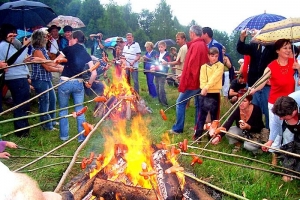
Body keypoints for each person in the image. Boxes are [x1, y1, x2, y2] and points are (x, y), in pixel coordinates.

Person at [250, 39, 300, 156]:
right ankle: (274, 154)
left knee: (289, 132)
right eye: (285, 48)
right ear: (277, 50)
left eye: (289, 47)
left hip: (291, 104)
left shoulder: (294, 62)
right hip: (275, 104)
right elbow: (262, 82)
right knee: (276, 130)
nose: (288, 50)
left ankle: (289, 154)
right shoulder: (271, 66)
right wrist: (253, 89)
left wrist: (298, 68)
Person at [55, 30, 97, 143]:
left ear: (76, 39)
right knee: (80, 110)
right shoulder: (85, 52)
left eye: (71, 39)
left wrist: (63, 60)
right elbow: (94, 73)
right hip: (78, 83)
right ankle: (81, 138)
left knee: (63, 109)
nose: (69, 41)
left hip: (65, 82)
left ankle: (64, 137)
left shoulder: (67, 49)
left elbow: (56, 61)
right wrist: (89, 83)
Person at [169, 25, 209, 134]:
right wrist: (183, 75)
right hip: (200, 80)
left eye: (189, 33)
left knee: (180, 102)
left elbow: (193, 66)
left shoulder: (197, 46)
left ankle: (178, 128)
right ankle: (198, 128)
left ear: (192, 33)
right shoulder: (203, 45)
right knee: (198, 105)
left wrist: (185, 77)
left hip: (194, 81)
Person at [237, 28, 278, 130]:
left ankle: (269, 133)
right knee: (254, 110)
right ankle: (254, 131)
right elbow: (241, 49)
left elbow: (273, 53)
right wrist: (242, 37)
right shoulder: (254, 45)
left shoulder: (273, 46)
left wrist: (260, 38)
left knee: (269, 111)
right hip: (253, 84)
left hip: (267, 85)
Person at [0, 23, 31, 137]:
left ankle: (24, 129)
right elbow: (17, 60)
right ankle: (21, 131)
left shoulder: (10, 45)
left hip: (19, 77)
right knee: (20, 104)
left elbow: (19, 58)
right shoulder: (4, 45)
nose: (14, 36)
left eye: (15, 34)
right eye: (12, 34)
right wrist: (25, 45)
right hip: (16, 78)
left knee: (24, 104)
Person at [30, 29, 64, 131]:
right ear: (39, 38)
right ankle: (46, 125)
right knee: (45, 102)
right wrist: (60, 69)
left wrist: (59, 60)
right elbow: (48, 67)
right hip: (40, 80)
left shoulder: (43, 49)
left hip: (46, 78)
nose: (46, 38)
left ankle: (52, 121)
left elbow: (51, 63)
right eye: (45, 37)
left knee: (53, 99)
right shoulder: (37, 51)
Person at [194, 47, 224, 141]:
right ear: (208, 56)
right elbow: (202, 79)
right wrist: (203, 88)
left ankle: (212, 136)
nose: (214, 58)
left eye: (216, 56)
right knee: (201, 115)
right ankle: (198, 135)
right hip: (204, 93)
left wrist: (207, 87)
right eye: (212, 56)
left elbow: (215, 77)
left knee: (214, 117)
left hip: (214, 93)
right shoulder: (203, 67)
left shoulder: (220, 66)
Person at [272, 91, 300, 182]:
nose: (281, 119)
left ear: (294, 112)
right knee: (289, 145)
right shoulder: (283, 105)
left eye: (283, 117)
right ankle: (288, 172)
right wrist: (270, 140)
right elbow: (276, 123)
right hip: (294, 125)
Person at [151, 41, 170, 107]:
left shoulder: (167, 55)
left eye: (161, 47)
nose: (160, 48)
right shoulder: (157, 54)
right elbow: (154, 62)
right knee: (157, 88)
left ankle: (165, 103)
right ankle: (160, 102)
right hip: (156, 74)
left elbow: (164, 66)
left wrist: (156, 68)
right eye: (159, 47)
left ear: (165, 47)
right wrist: (152, 66)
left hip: (162, 74)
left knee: (161, 89)